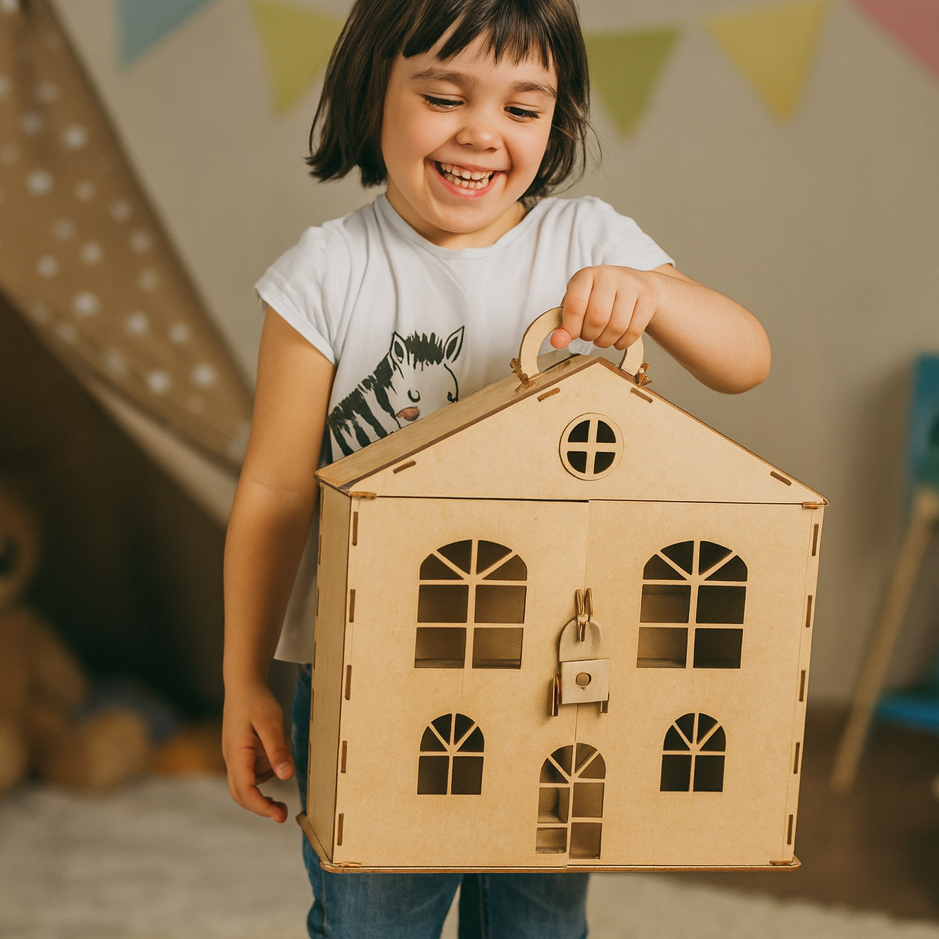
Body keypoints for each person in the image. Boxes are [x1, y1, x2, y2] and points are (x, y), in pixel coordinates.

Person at [221, 0, 771, 936]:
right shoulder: (326, 272)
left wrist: (651, 293)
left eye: (523, 108)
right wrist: (243, 676)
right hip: (372, 665)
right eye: (443, 95)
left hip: (558, 667)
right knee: (369, 917)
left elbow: (744, 359)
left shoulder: (587, 242)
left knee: (538, 919)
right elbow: (274, 491)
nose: (482, 132)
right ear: (371, 94)